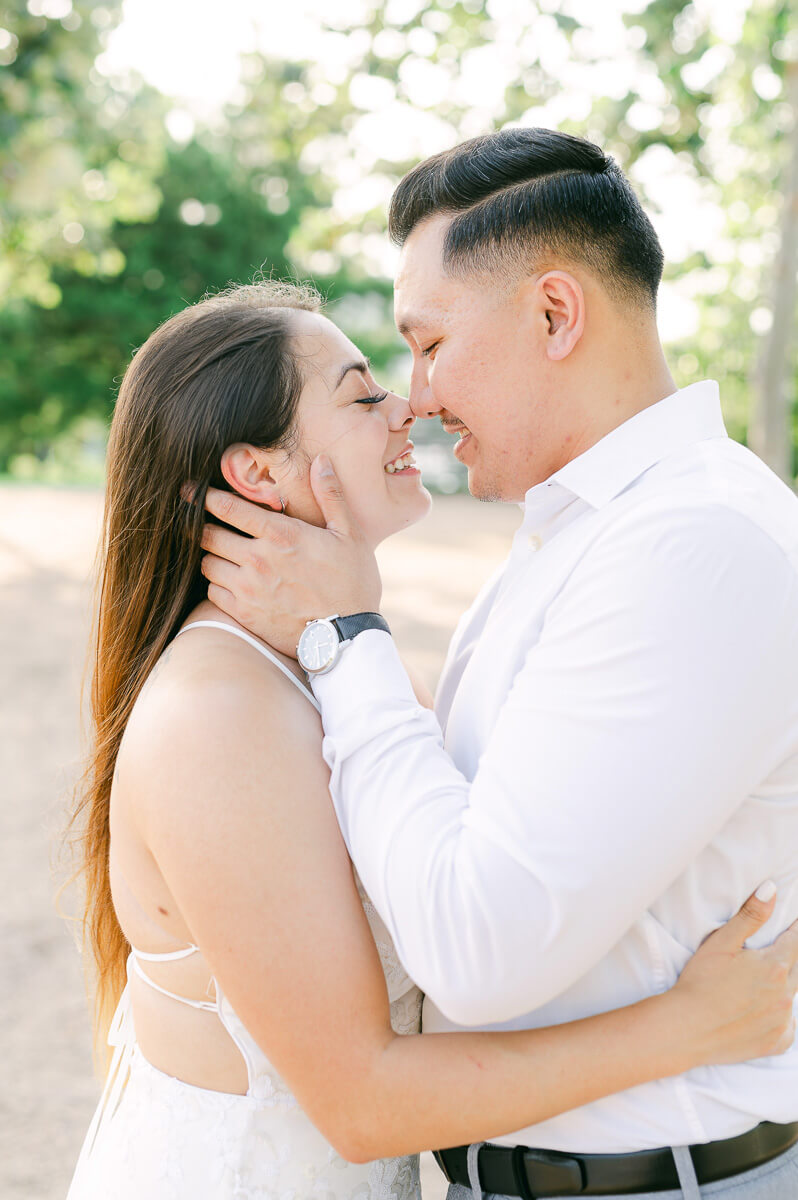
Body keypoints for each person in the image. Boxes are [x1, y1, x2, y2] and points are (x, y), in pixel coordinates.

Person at [65, 280, 798, 1200]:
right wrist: (689, 1028)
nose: (407, 406)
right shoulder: (220, 714)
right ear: (259, 475)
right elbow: (363, 1105)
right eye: (364, 395)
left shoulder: (331, 664)